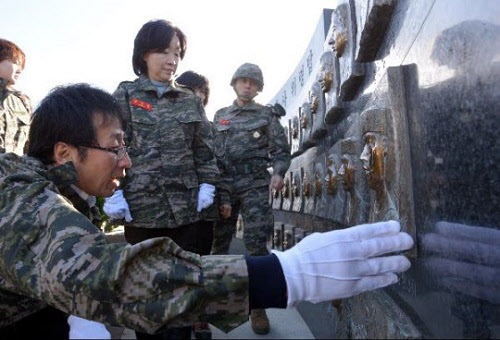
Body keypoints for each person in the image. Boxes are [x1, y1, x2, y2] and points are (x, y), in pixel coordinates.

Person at [0, 83, 414, 338]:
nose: (127, 161)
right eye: (116, 145)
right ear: (64, 152)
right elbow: (97, 276)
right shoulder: (14, 194)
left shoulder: (61, 196)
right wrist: (282, 276)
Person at [106, 19, 230, 339]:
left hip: (187, 214)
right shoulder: (124, 95)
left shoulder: (188, 99)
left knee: (183, 297)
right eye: (163, 50)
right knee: (146, 296)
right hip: (143, 213)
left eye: (177, 52)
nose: (172, 59)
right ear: (143, 55)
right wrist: (111, 193)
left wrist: (208, 185)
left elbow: (204, 149)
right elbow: (110, 145)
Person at [210, 62, 291, 334]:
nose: (247, 85)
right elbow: (212, 154)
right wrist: (218, 191)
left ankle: (258, 308)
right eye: (243, 80)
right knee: (218, 244)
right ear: (234, 83)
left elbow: (281, 151)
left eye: (253, 82)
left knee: (256, 247)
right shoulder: (220, 116)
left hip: (255, 185)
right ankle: (214, 301)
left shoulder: (266, 116)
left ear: (258, 88)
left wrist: (279, 173)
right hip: (225, 186)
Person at [176, 70, 225, 339]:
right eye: (190, 90)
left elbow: (222, 166)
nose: (196, 96)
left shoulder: (211, 127)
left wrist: (223, 199)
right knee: (179, 262)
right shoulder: (168, 123)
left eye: (200, 93)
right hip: (174, 209)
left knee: (202, 262)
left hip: (204, 208)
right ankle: (181, 315)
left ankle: (198, 317)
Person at [0, 38, 31, 155]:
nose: (20, 69)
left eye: (21, 65)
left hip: (15, 171)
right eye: (14, 62)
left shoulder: (22, 102)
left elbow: (30, 147)